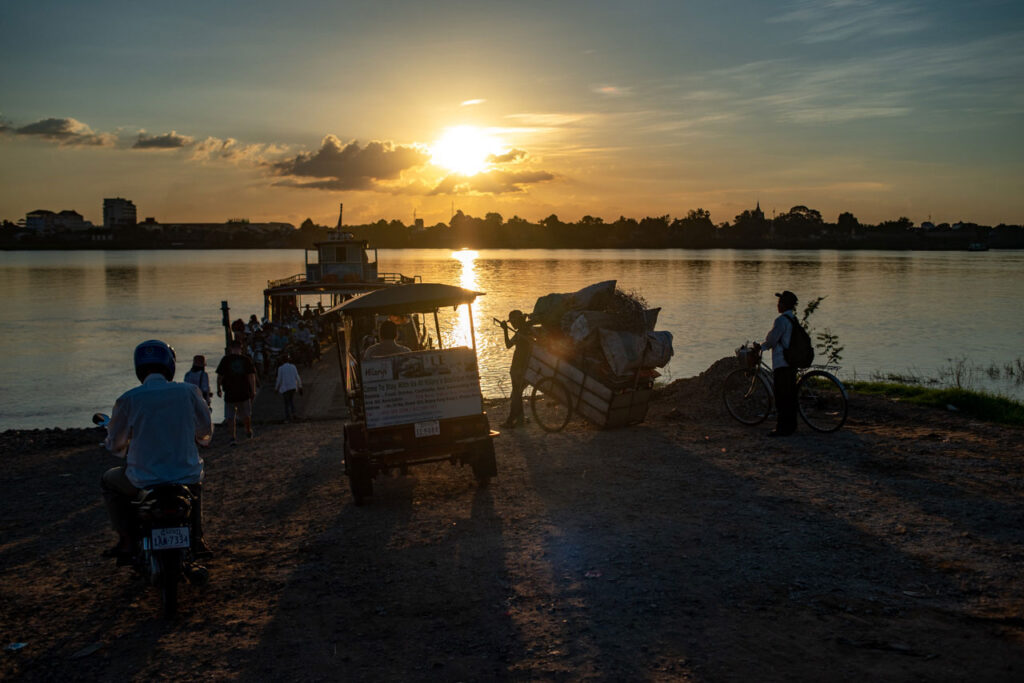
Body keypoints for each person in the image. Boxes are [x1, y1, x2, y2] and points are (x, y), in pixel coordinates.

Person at [101, 339, 213, 560]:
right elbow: (205, 431)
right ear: (169, 366)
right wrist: (198, 437)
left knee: (109, 481)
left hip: (143, 478)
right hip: (184, 474)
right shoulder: (188, 392)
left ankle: (126, 540)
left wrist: (120, 446)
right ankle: (198, 540)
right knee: (195, 486)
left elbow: (115, 443)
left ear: (139, 368)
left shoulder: (128, 399)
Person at [761, 290, 800, 437]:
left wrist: (761, 347)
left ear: (783, 305)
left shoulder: (781, 321)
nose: (777, 305)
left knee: (782, 397)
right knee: (790, 396)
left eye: (779, 303)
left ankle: (782, 428)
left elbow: (771, 340)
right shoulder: (793, 319)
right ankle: (792, 426)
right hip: (791, 363)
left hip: (782, 363)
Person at [216, 340, 257, 445]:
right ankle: (248, 431)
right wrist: (253, 390)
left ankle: (232, 437)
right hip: (244, 392)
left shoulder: (225, 360)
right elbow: (251, 376)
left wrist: (218, 389)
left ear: (230, 348)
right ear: (241, 348)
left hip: (230, 392)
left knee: (230, 417)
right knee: (246, 414)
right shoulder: (246, 360)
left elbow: (220, 376)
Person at [500, 310, 535, 428]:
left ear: (517, 321)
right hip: (523, 368)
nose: (511, 325)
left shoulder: (523, 333)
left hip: (518, 368)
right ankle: (519, 419)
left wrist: (505, 330)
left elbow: (508, 344)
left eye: (512, 322)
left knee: (515, 395)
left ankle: (510, 420)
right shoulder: (525, 331)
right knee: (517, 394)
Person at [275, 354, 303, 421]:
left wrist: (276, 388)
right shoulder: (293, 367)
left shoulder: (280, 368)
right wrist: (300, 386)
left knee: (286, 403)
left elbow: (279, 379)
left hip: (285, 388)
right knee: (291, 401)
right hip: (293, 386)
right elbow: (297, 377)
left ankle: (288, 416)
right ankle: (294, 414)